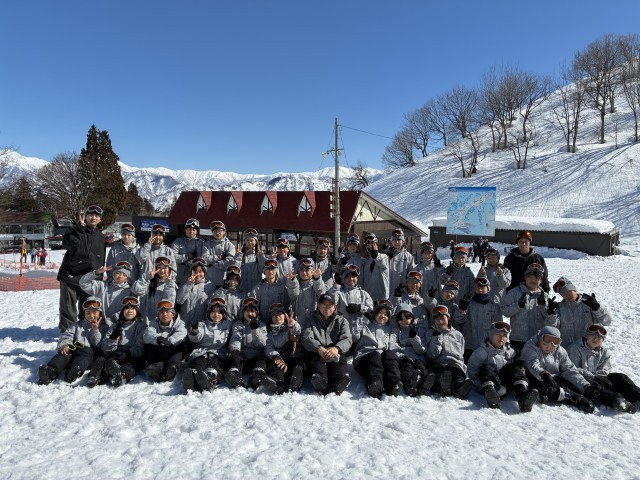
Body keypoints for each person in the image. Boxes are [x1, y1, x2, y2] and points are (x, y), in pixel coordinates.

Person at [521, 326, 597, 413]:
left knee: (573, 383)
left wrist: (585, 386)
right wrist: (543, 374)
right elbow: (533, 364)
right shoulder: (530, 347)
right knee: (545, 386)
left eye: (555, 342)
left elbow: (569, 369)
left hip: (553, 378)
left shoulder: (560, 351)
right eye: (546, 340)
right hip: (536, 376)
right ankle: (573, 398)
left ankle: (602, 396)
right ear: (539, 337)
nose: (550, 345)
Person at [466, 321, 539, 412]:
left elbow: (515, 372)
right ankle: (491, 393)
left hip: (504, 382)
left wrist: (520, 368)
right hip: (488, 382)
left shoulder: (510, 352)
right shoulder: (481, 352)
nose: (501, 337)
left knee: (514, 368)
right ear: (491, 335)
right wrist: (480, 386)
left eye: (504, 335)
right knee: (486, 368)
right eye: (498, 334)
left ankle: (522, 393)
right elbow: (472, 371)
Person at [56, 205, 107, 332]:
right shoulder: (75, 230)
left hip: (89, 278)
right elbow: (68, 244)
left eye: (96, 216)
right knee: (68, 307)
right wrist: (78, 228)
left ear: (100, 219)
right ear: (86, 217)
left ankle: (85, 331)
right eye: (91, 215)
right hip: (71, 275)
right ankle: (68, 333)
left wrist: (99, 278)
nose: (93, 218)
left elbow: (100, 259)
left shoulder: (101, 237)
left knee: (88, 307)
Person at [567, 324, 637, 413]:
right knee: (596, 389)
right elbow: (573, 369)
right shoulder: (575, 348)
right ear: (586, 335)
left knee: (620, 377)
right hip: (581, 381)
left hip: (598, 379)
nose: (595, 338)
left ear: (602, 340)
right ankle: (618, 401)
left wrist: (599, 377)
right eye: (592, 335)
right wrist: (593, 377)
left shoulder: (604, 351)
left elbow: (605, 369)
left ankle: (637, 396)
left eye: (599, 337)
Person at [37, 297, 109, 385]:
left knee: (86, 351)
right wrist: (65, 345)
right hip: (76, 351)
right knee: (65, 354)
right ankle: (50, 371)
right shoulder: (77, 325)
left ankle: (74, 371)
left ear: (100, 313)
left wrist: (95, 330)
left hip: (90, 357)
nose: (91, 315)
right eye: (88, 313)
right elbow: (67, 335)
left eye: (94, 312)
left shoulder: (104, 328)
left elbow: (98, 346)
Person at [301, 293, 353, 395]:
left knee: (340, 364)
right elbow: (306, 338)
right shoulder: (310, 319)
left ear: (334, 307)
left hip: (335, 352)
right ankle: (321, 382)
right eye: (323, 305)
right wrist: (319, 348)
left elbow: (347, 339)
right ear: (318, 306)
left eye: (330, 305)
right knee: (316, 364)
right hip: (316, 352)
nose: (326, 308)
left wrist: (337, 348)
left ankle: (339, 382)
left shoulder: (342, 320)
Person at [500, 263, 557, 352]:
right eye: (529, 275)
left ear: (541, 280)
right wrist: (518, 306)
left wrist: (550, 312)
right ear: (525, 277)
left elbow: (551, 324)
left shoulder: (545, 296)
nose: (533, 279)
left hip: (538, 341)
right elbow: (504, 311)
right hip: (518, 340)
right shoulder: (514, 292)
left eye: (537, 276)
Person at [420, 305, 474, 399]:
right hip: (437, 362)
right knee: (437, 371)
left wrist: (459, 364)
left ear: (448, 318)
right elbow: (431, 355)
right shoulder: (429, 333)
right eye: (437, 319)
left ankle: (459, 388)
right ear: (434, 321)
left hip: (454, 362)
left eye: (442, 318)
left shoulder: (457, 334)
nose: (440, 321)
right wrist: (436, 339)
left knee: (457, 373)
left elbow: (460, 353)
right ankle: (440, 385)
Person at [183, 296, 234, 393]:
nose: (216, 315)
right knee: (197, 364)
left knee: (215, 368)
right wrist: (194, 333)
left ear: (223, 314)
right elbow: (197, 337)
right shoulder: (202, 324)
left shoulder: (228, 325)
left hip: (219, 354)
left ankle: (209, 380)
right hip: (201, 352)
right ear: (209, 313)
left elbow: (234, 338)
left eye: (219, 312)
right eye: (213, 312)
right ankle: (192, 378)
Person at [353, 300, 402, 398]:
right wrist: (364, 316)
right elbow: (355, 333)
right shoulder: (366, 325)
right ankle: (374, 383)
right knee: (375, 355)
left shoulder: (391, 329)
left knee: (390, 354)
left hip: (382, 359)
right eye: (380, 313)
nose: (383, 316)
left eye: (386, 314)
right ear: (375, 313)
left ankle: (393, 383)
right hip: (364, 358)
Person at [98, 296, 147, 387]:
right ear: (122, 311)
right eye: (126, 308)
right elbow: (105, 347)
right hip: (117, 353)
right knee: (110, 360)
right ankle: (98, 375)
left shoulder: (141, 326)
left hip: (133, 355)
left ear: (137, 310)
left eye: (133, 308)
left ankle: (122, 376)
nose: (130, 311)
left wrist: (129, 353)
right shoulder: (115, 325)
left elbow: (140, 346)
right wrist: (112, 339)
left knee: (130, 364)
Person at [453, 276, 503, 362]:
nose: (480, 289)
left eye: (482, 287)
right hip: (469, 345)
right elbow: (458, 321)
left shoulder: (494, 306)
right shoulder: (468, 304)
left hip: (487, 346)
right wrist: (461, 309)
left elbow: (498, 327)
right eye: (477, 287)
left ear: (488, 288)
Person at [551, 276, 612, 345]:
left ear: (573, 289)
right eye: (562, 294)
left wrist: (597, 308)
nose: (565, 295)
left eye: (566, 291)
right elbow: (553, 328)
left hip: (587, 348)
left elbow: (607, 321)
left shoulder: (589, 303)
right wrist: (550, 314)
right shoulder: (560, 308)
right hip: (567, 349)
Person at [225, 296, 269, 389]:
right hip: (243, 355)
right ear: (243, 312)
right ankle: (235, 375)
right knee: (234, 360)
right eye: (247, 311)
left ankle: (257, 376)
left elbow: (262, 343)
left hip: (257, 355)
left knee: (261, 362)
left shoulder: (262, 325)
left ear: (256, 313)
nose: (250, 313)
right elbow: (236, 337)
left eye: (252, 311)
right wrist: (235, 349)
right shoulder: (238, 324)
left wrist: (255, 329)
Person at [260, 303, 304, 394]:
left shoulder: (290, 328)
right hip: (279, 357)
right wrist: (276, 356)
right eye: (274, 315)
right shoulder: (270, 333)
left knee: (297, 367)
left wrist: (293, 325)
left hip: (292, 357)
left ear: (285, 315)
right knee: (275, 366)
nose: (277, 317)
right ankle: (278, 384)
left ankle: (293, 385)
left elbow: (297, 332)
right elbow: (268, 347)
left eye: (280, 313)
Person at [142, 300, 187, 383]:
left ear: (173, 314)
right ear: (158, 315)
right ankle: (157, 367)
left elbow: (181, 333)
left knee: (180, 346)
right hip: (159, 350)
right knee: (149, 346)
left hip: (172, 350)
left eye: (167, 312)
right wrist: (158, 338)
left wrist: (170, 341)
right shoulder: (153, 323)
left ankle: (172, 368)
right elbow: (147, 334)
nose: (164, 314)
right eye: (161, 312)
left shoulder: (179, 323)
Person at [332, 264, 373, 349]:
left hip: (360, 333)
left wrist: (360, 308)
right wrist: (336, 286)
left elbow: (371, 310)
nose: (351, 279)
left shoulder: (364, 293)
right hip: (343, 334)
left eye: (353, 276)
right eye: (347, 276)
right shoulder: (339, 292)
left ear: (357, 278)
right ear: (344, 278)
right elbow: (332, 302)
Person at [79, 261, 133, 325]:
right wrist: (96, 273)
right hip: (99, 324)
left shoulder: (130, 291)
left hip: (117, 325)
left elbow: (128, 311)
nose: (120, 276)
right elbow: (83, 283)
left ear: (127, 278)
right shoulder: (102, 286)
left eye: (124, 275)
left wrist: (111, 321)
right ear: (113, 275)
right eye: (118, 273)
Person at [391, 304, 428, 397]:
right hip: (404, 357)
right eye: (401, 319)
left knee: (420, 368)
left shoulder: (418, 329)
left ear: (411, 318)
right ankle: (410, 385)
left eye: (407, 318)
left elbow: (422, 349)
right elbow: (392, 346)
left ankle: (425, 385)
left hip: (418, 357)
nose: (404, 321)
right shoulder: (396, 330)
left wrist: (414, 338)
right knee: (406, 368)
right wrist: (402, 356)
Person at [131, 256, 178, 324]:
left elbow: (169, 301)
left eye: (165, 268)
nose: (162, 271)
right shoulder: (150, 282)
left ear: (169, 269)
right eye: (159, 268)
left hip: (162, 322)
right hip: (146, 321)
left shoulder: (172, 285)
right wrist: (147, 277)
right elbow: (137, 291)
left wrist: (169, 283)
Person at [175, 257, 214, 330]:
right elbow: (179, 300)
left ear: (204, 272)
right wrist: (189, 284)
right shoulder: (185, 283)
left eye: (200, 271)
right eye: (195, 271)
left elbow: (211, 307)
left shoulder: (210, 286)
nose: (198, 274)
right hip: (185, 323)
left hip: (200, 325)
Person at [285, 257, 327, 323]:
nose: (304, 273)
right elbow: (293, 293)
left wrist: (317, 279)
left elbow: (321, 292)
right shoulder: (296, 285)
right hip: (298, 323)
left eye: (307, 270)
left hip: (314, 324)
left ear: (312, 271)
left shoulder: (316, 284)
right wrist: (292, 280)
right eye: (302, 270)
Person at [202, 220, 236, 288]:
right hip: (209, 280)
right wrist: (220, 257)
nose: (217, 233)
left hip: (223, 280)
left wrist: (214, 264)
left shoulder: (230, 245)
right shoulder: (207, 244)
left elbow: (229, 262)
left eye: (220, 230)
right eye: (215, 231)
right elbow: (205, 258)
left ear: (224, 231)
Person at [172, 218, 205, 285]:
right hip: (179, 277)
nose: (191, 231)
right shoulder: (177, 242)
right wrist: (186, 256)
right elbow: (173, 258)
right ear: (185, 230)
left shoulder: (200, 243)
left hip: (195, 277)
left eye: (194, 230)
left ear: (196, 231)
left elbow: (201, 259)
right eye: (189, 229)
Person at [386, 228, 416, 298]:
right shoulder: (386, 255)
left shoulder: (408, 256)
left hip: (403, 291)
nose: (397, 242)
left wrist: (408, 287)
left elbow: (412, 274)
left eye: (399, 240)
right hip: (388, 290)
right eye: (395, 240)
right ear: (392, 241)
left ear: (403, 241)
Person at [362, 233, 390, 302]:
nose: (370, 245)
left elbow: (382, 263)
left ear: (376, 245)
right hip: (368, 297)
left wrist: (376, 255)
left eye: (372, 243)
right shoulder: (365, 260)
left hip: (381, 296)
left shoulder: (383, 257)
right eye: (368, 244)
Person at [414, 241, 444, 306]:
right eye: (425, 253)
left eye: (429, 253)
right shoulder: (417, 268)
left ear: (432, 253)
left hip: (436, 299)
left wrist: (440, 268)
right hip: (422, 300)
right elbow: (415, 286)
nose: (427, 255)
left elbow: (444, 280)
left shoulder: (437, 266)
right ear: (421, 254)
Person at [235, 228, 264, 293]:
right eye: (247, 240)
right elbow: (236, 270)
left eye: (252, 240)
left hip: (256, 291)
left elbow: (262, 270)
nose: (250, 242)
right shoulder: (240, 255)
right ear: (244, 241)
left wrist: (261, 258)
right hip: (242, 290)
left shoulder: (259, 255)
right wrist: (238, 257)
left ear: (256, 242)